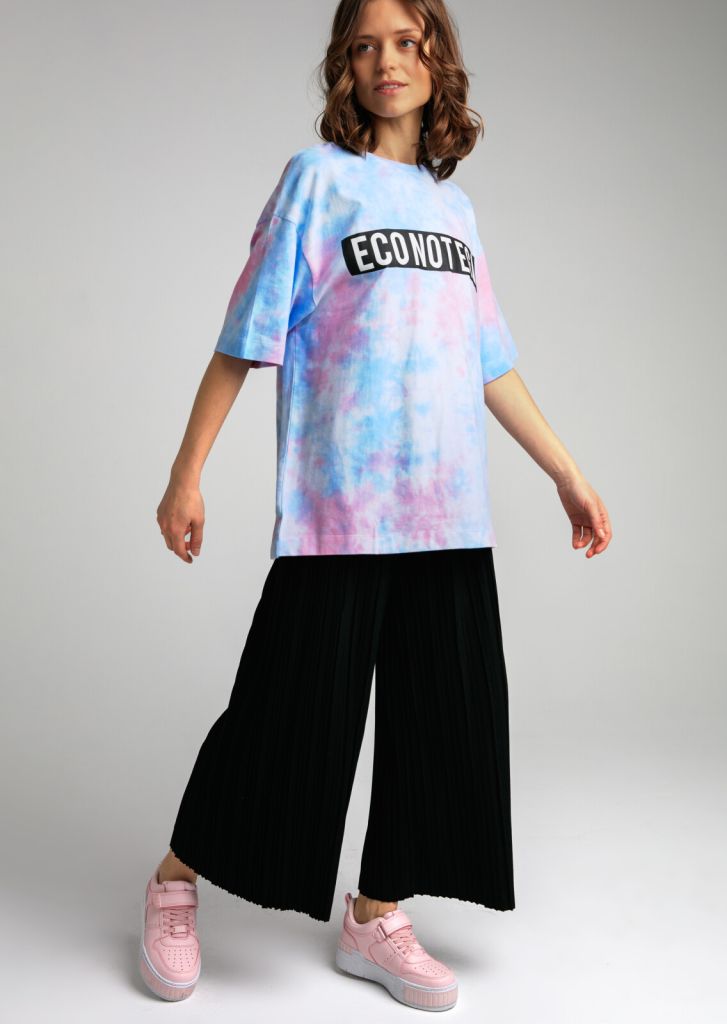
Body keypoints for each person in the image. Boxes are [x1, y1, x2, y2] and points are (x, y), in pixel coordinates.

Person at [139, 0, 612, 1011]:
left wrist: (566, 472)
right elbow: (245, 334)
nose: (386, 61)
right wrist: (187, 473)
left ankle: (376, 912)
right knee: (286, 715)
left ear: (437, 61)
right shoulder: (316, 182)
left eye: (406, 42)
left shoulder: (455, 210)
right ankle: (176, 880)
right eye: (364, 46)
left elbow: (491, 362)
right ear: (344, 69)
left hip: (449, 510)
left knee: (446, 724)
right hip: (341, 509)